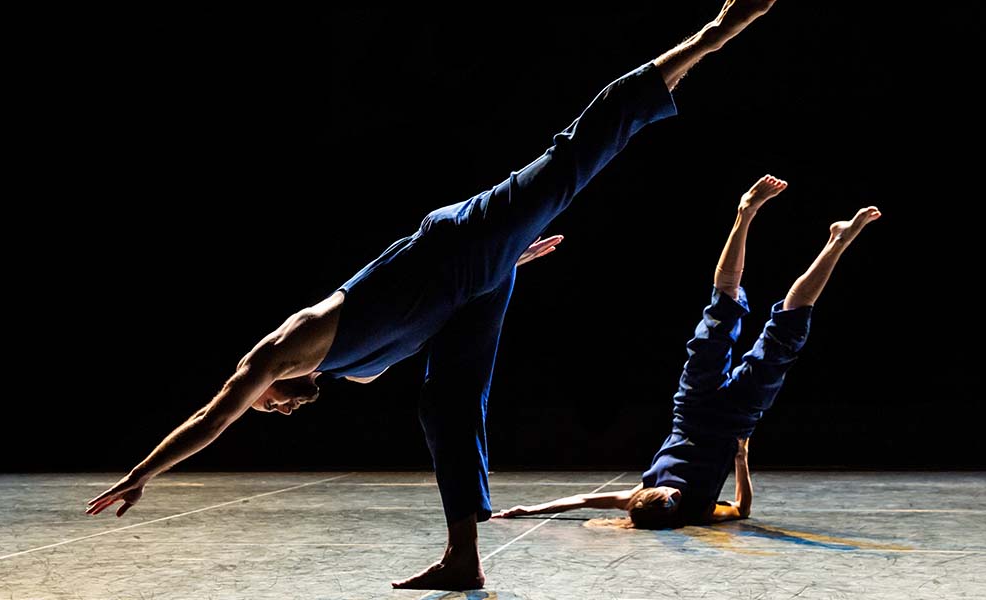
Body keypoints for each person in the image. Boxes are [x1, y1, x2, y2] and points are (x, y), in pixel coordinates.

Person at [86, 0, 780, 591]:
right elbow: (413, 312)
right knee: (446, 405)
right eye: (264, 401)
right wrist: (509, 258)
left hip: (462, 245)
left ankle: (720, 26)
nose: (252, 397)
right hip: (474, 274)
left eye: (257, 399)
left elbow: (214, 416)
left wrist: (144, 471)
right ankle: (463, 560)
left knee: (582, 147)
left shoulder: (299, 344)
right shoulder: (350, 366)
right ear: (287, 395)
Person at [493, 175, 882, 528]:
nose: (674, 495)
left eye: (663, 498)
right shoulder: (696, 510)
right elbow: (742, 510)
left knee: (723, 305)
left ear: (646, 498)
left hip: (693, 406)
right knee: (788, 329)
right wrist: (742, 459)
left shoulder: (634, 497)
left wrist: (532, 509)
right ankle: (840, 240)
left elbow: (579, 500)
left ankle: (745, 213)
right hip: (735, 419)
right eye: (673, 503)